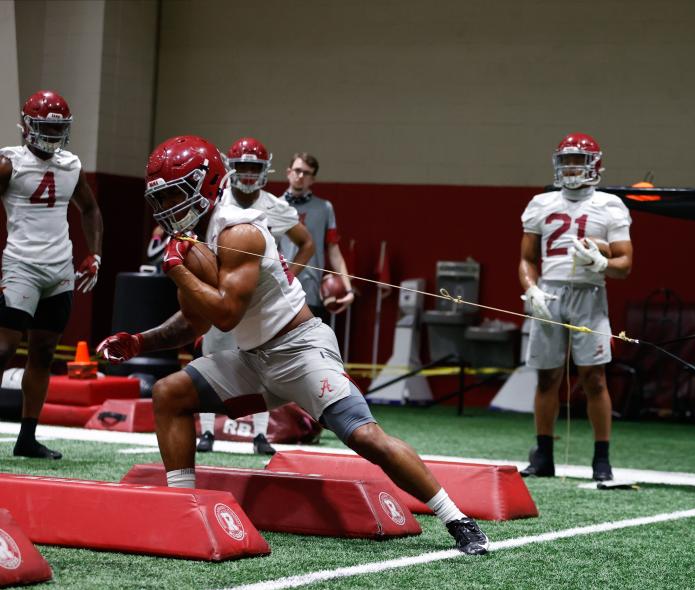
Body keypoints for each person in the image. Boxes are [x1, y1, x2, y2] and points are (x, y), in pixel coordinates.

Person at [97, 136, 489, 555]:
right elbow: (194, 321)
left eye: (175, 192)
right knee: (169, 393)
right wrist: (140, 340)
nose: (167, 205)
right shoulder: (196, 239)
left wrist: (175, 269)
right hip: (254, 360)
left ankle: (457, 519)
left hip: (300, 350)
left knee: (365, 437)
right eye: (161, 196)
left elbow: (227, 314)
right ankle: (184, 507)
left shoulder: (240, 230)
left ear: (206, 184)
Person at [518, 133, 632, 482]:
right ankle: (544, 456)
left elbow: (625, 264)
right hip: (549, 294)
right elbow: (526, 258)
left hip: (589, 295)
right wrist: (530, 288)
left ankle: (601, 459)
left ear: (593, 164)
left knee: (594, 378)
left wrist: (600, 263)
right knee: (547, 376)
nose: (570, 168)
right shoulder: (541, 202)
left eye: (578, 161)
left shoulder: (610, 205)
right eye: (566, 160)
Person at [193, 137, 317, 455]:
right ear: (230, 169)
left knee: (261, 365)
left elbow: (307, 243)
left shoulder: (274, 206)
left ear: (265, 170)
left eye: (255, 167)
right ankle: (206, 432)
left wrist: (290, 275)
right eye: (243, 167)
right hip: (220, 295)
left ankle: (259, 435)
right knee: (210, 362)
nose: (248, 173)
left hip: (257, 302)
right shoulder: (214, 202)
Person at [0, 90, 103, 459]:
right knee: (4, 348)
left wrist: (95, 254)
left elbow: (89, 209)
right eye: (44, 127)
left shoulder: (70, 165)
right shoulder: (10, 163)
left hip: (59, 270)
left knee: (43, 353)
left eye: (57, 128)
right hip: (21, 267)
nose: (51, 135)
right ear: (27, 127)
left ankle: (27, 437)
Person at [281, 153, 353, 318]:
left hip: (312, 294)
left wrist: (348, 289)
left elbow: (334, 251)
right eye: (297, 170)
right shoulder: (274, 206)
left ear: (313, 179)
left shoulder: (324, 208)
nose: (300, 176)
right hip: (280, 293)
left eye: (306, 173)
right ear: (288, 172)